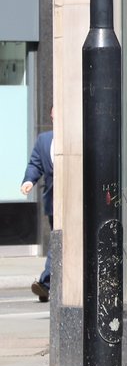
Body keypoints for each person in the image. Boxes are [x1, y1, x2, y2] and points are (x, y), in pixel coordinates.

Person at [21, 123, 53, 303]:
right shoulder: (44, 140)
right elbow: (35, 163)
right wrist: (29, 181)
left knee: (59, 244)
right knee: (57, 242)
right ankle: (46, 284)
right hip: (54, 201)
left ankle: (46, 284)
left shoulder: (80, 136)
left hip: (78, 201)